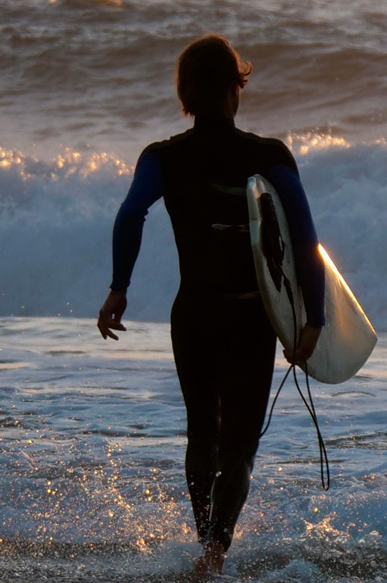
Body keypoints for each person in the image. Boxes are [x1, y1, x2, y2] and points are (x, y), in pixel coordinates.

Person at [97, 34, 326, 577]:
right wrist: (313, 318)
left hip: (193, 314)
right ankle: (215, 551)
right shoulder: (269, 155)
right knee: (240, 446)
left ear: (186, 95)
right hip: (250, 317)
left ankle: (205, 543)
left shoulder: (163, 157)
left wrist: (118, 287)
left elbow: (131, 214)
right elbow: (305, 236)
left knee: (202, 432)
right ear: (233, 90)